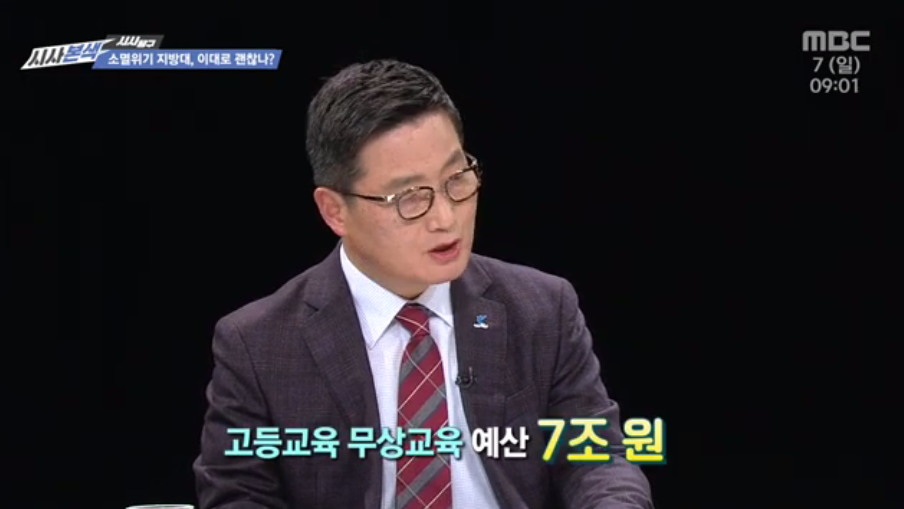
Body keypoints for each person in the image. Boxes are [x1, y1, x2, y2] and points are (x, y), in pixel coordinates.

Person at [193, 58, 653, 509]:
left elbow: (596, 457)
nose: (445, 218)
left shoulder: (542, 309)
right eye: (410, 197)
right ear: (334, 211)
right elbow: (238, 494)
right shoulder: (258, 344)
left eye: (457, 179)